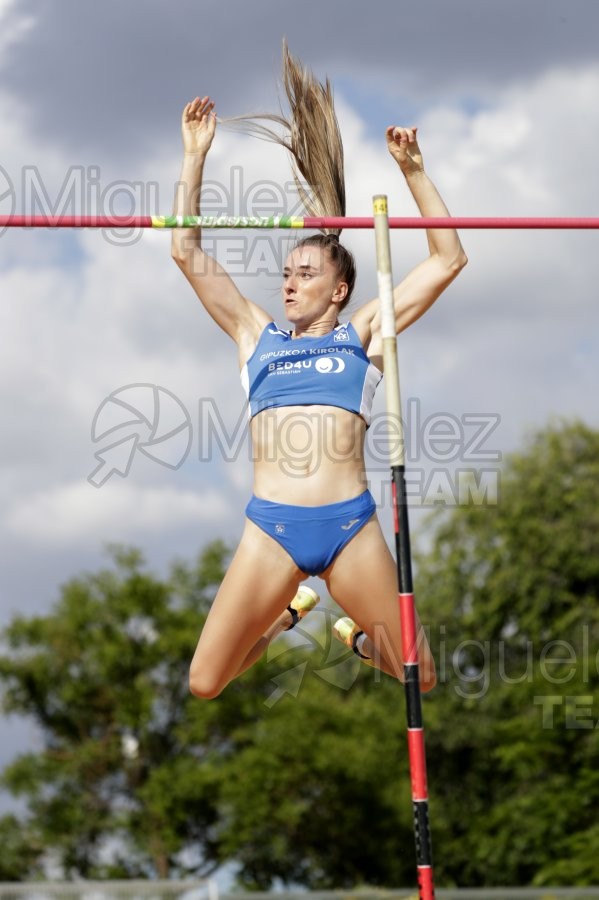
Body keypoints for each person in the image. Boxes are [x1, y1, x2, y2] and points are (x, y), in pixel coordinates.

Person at [171, 47, 467, 700]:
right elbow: (185, 250)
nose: (288, 284)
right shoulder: (254, 335)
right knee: (203, 681)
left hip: (348, 527)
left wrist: (413, 172)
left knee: (423, 672)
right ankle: (284, 619)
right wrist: (195, 156)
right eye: (285, 273)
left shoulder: (363, 334)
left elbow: (447, 259)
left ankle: (358, 642)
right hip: (269, 529)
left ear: (339, 289)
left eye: (305, 274)